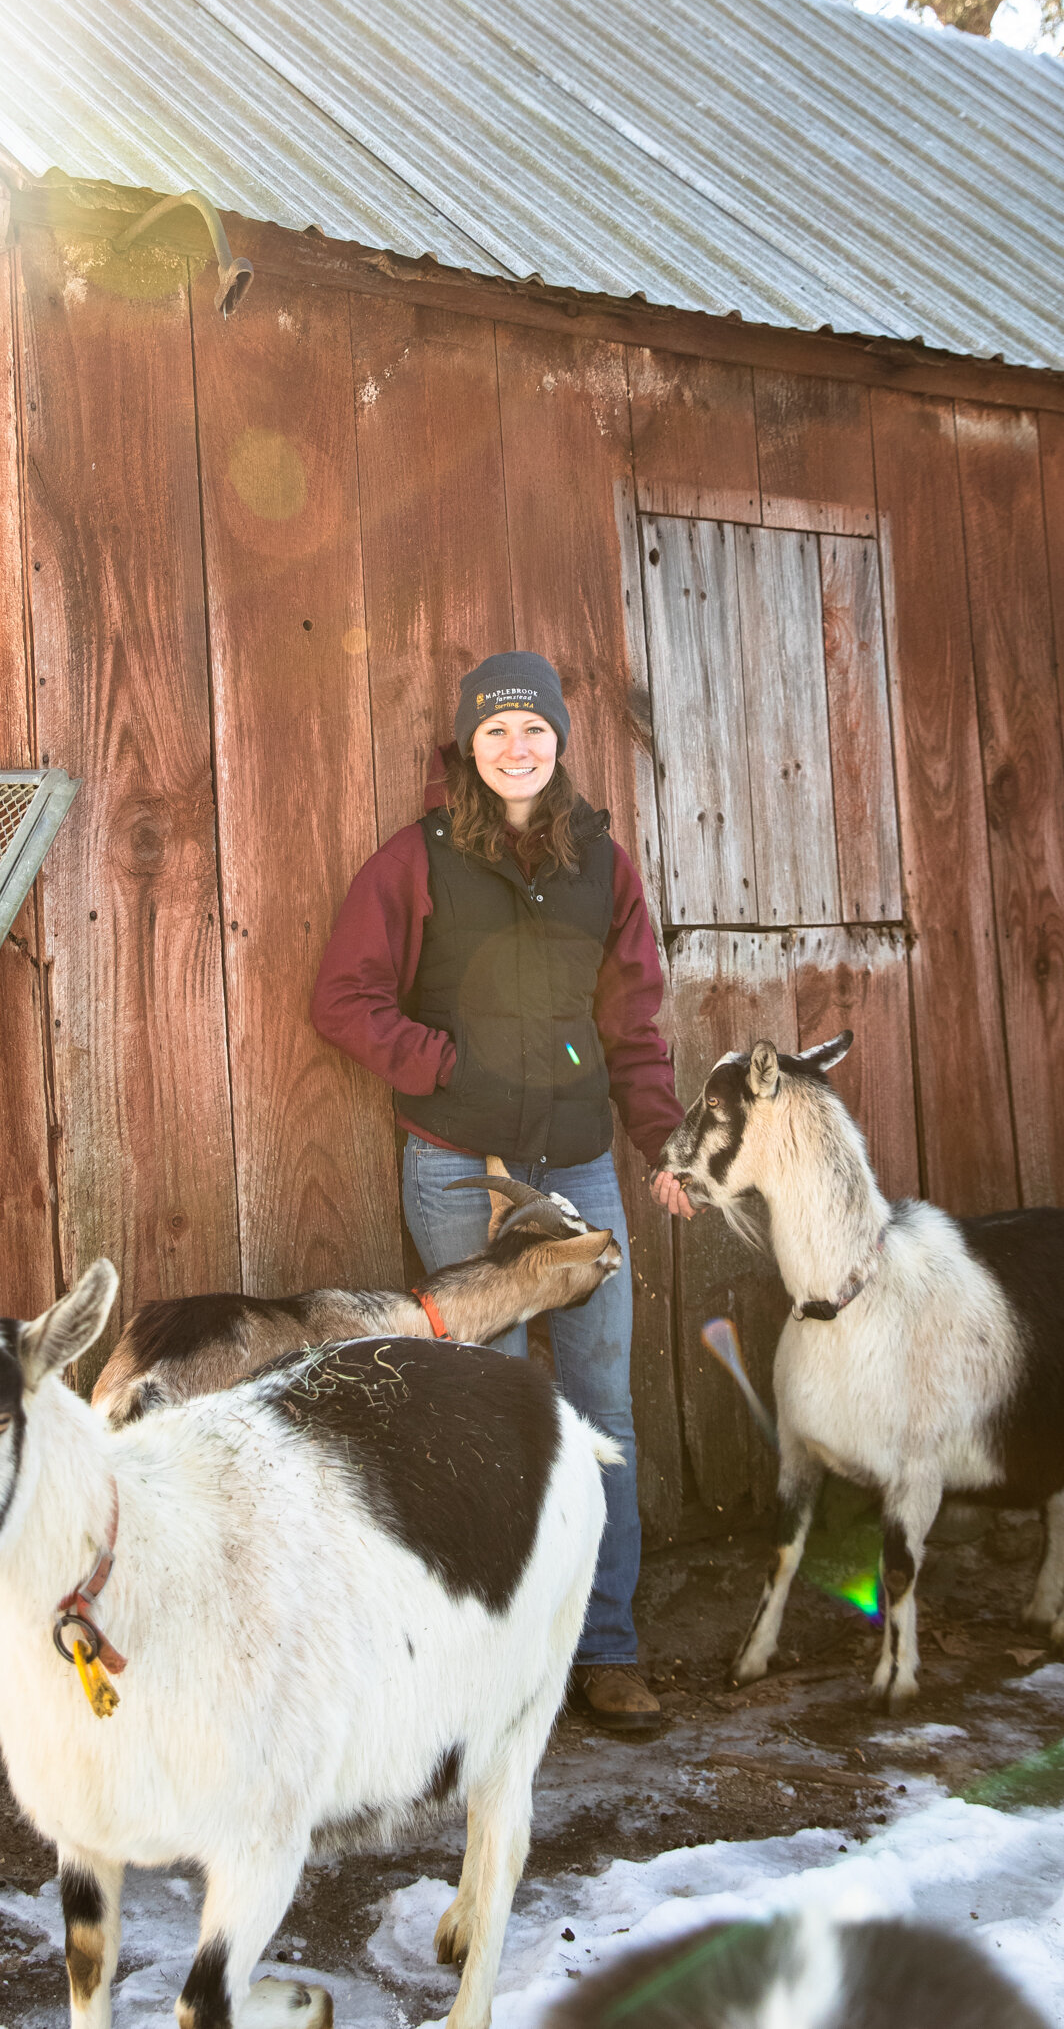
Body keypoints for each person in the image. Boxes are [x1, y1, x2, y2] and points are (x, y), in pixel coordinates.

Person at [311, 649, 695, 1737]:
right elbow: (343, 998)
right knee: (481, 1410)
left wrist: (661, 1142)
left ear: (558, 742)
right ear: (467, 747)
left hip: (577, 1166)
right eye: (495, 732)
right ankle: (487, 1659)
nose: (516, 748)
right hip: (458, 1168)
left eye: (533, 730)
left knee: (601, 1406)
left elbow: (630, 1022)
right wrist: (443, 1066)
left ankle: (604, 1647)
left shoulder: (601, 864)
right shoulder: (417, 859)